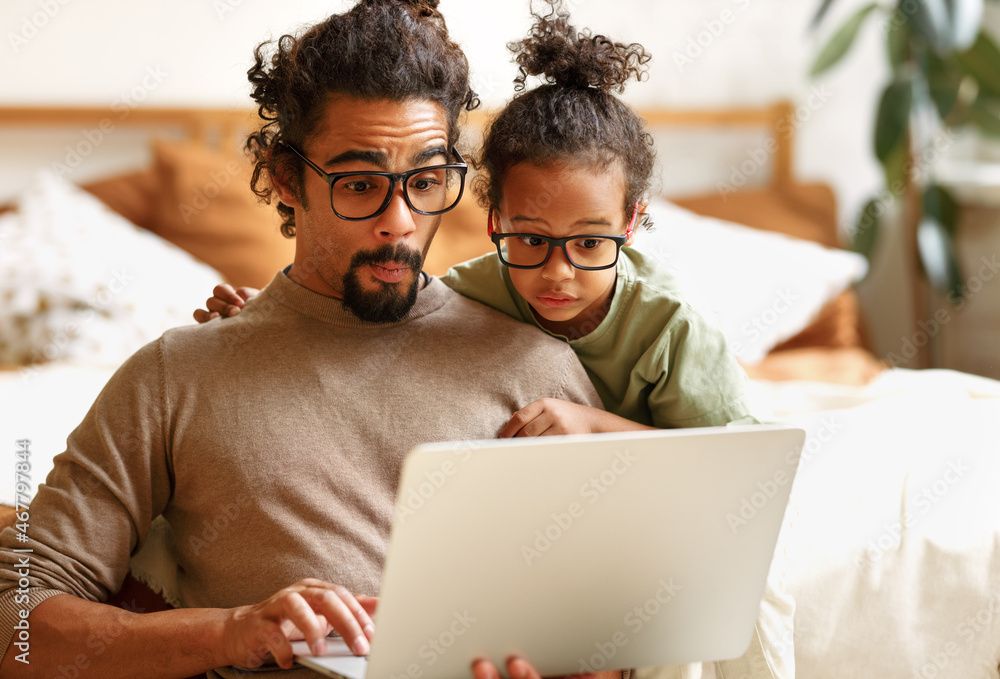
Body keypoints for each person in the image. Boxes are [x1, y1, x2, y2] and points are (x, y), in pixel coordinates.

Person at [0, 3, 611, 678]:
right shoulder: (174, 376)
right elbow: (15, 625)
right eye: (358, 184)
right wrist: (227, 632)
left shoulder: (541, 371)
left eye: (427, 181)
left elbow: (624, 615)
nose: (399, 222)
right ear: (287, 178)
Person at [195, 4, 796, 678]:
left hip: (669, 497)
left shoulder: (670, 327)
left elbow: (740, 474)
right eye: (531, 240)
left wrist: (600, 428)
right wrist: (269, 312)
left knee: (729, 583)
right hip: (559, 526)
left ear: (632, 222)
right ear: (493, 221)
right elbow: (371, 303)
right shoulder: (473, 290)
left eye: (590, 242)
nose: (558, 272)